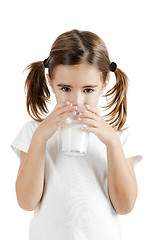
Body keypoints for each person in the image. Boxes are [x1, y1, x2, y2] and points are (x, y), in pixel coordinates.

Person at [11, 29, 143, 240]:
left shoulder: (119, 136)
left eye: (88, 90)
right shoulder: (34, 132)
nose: (77, 101)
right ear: (51, 82)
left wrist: (112, 143)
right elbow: (26, 202)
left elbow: (125, 206)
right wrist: (40, 138)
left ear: (104, 84)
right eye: (65, 88)